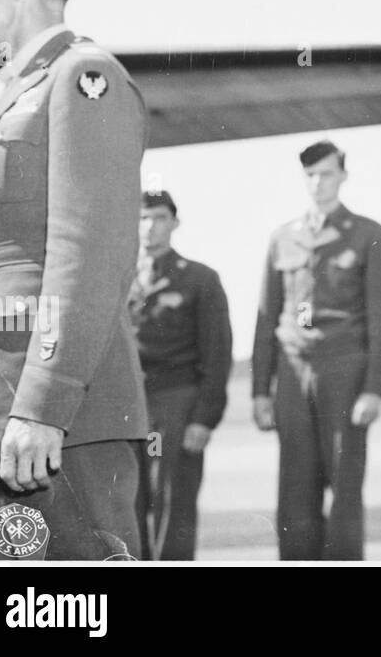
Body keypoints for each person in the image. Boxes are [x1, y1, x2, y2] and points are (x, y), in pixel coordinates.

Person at [0, 0, 148, 560]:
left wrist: (42, 405)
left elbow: (89, 254)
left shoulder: (80, 77)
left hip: (56, 429)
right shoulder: (7, 94)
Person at [251, 140, 381, 560]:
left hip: (345, 372)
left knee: (345, 486)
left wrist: (374, 388)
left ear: (343, 176)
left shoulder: (369, 235)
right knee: (294, 488)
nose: (318, 182)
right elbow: (266, 320)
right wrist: (261, 391)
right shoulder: (282, 238)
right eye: (311, 174)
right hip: (293, 375)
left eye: (327, 173)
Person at [128, 189, 232, 560]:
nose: (149, 227)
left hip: (173, 411)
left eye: (158, 218)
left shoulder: (199, 280)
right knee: (129, 503)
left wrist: (204, 419)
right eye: (142, 218)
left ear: (174, 223)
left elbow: (217, 355)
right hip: (129, 413)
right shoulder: (118, 278)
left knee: (171, 503)